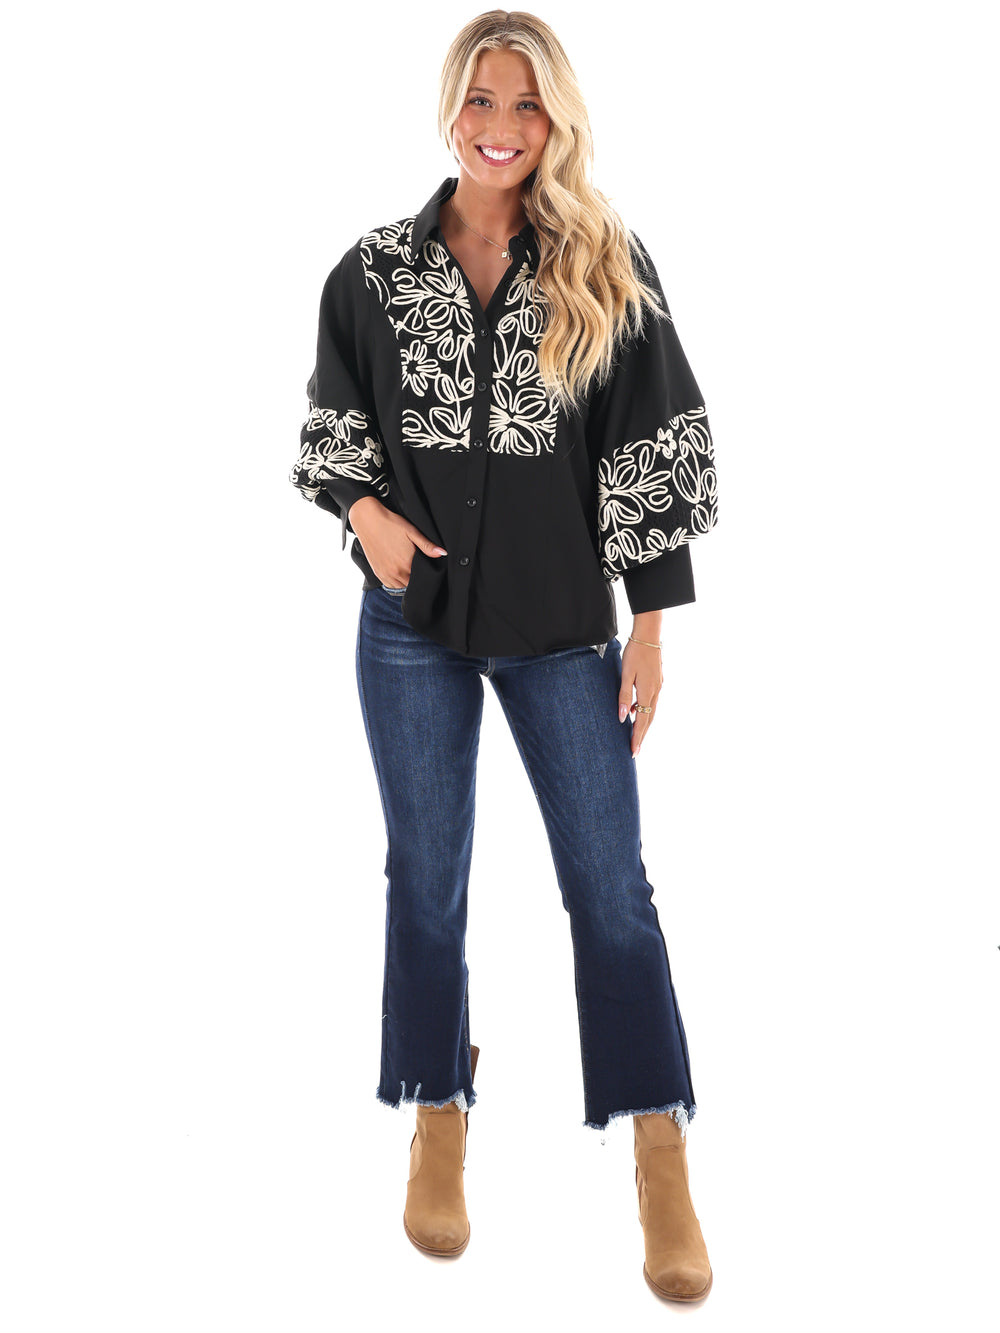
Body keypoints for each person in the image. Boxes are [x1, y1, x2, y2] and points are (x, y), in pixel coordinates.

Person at [289, 9, 719, 1303]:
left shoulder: (605, 267)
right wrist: (366, 518)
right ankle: (436, 1106)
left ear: (555, 122)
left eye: (526, 104)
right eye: (482, 98)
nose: (500, 125)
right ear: (451, 106)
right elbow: (331, 423)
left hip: (561, 629)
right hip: (410, 625)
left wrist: (651, 625)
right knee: (424, 877)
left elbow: (654, 445)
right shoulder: (374, 271)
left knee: (611, 885)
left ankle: (658, 1144)